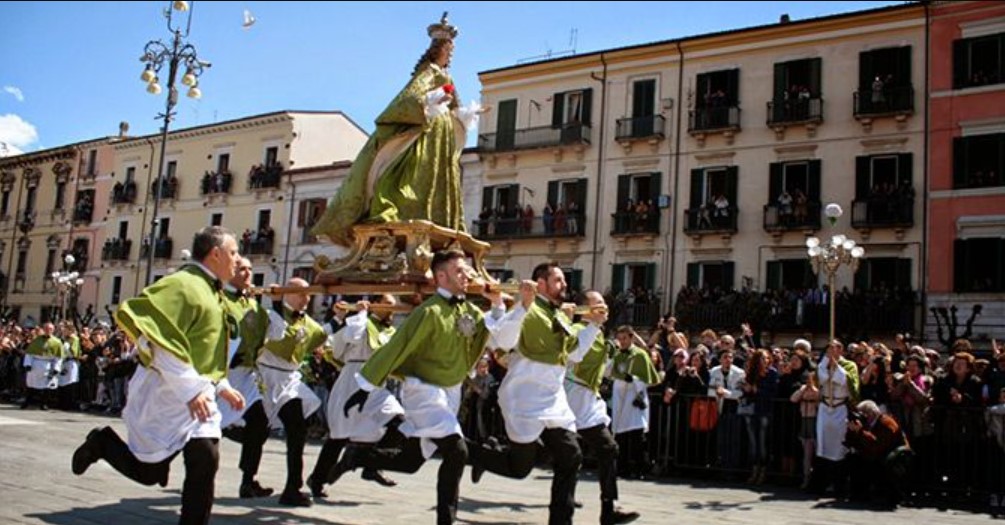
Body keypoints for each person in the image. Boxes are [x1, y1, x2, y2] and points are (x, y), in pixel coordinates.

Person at [328, 249, 533, 525]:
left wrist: (504, 306)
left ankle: (360, 456)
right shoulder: (428, 311)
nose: (467, 275)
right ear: (441, 276)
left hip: (450, 392)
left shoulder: (471, 311)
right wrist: (365, 386)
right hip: (423, 392)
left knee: (411, 462)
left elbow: (501, 340)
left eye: (466, 270)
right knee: (457, 450)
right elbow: (396, 346)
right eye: (459, 270)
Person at [71, 226, 244, 525]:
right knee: (149, 473)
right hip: (167, 392)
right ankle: (102, 443)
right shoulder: (181, 284)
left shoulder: (214, 292)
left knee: (206, 458)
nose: (238, 260)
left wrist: (222, 385)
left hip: (198, 395)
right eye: (233, 252)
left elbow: (206, 350)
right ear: (215, 254)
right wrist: (190, 390)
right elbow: (158, 342)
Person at [311, 13, 483, 246]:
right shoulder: (428, 71)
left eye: (452, 50)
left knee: (434, 177)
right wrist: (430, 102)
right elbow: (408, 100)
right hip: (425, 131)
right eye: (448, 48)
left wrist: (468, 113)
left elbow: (456, 107)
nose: (450, 54)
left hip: (439, 137)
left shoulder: (445, 75)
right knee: (412, 176)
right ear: (438, 48)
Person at [468, 262, 607, 525]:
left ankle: (561, 521)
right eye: (558, 280)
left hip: (553, 397)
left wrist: (593, 326)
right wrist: (523, 305)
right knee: (519, 468)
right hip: (525, 396)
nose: (565, 285)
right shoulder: (527, 309)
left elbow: (574, 354)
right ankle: (476, 454)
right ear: (540, 283)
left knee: (571, 454)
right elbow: (504, 340)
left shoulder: (558, 315)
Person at [307, 295, 404, 498]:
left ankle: (371, 464)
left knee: (398, 421)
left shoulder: (391, 331)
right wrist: (360, 313)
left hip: (377, 383)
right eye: (387, 304)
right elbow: (348, 340)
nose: (392, 309)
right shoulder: (361, 323)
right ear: (376, 305)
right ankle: (317, 479)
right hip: (354, 379)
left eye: (393, 305)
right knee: (339, 436)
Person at [563, 291, 640, 524]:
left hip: (588, 400)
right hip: (570, 397)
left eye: (605, 303)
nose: (604, 307)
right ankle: (491, 456)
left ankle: (609, 509)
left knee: (608, 448)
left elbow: (602, 369)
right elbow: (575, 356)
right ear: (585, 309)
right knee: (556, 455)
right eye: (598, 303)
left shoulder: (599, 335)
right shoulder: (577, 330)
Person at [258, 278, 332, 507]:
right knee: (253, 430)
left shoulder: (308, 321)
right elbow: (279, 337)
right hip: (265, 376)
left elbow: (320, 335)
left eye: (308, 294)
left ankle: (293, 486)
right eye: (301, 293)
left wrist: (340, 318)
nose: (306, 298)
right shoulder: (269, 314)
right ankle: (248, 478)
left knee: (297, 429)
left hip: (289, 380)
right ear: (287, 294)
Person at [217, 257, 274, 499]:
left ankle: (248, 480)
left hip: (246, 375)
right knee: (198, 427)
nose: (248, 273)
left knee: (260, 423)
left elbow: (270, 333)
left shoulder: (255, 307)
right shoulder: (219, 300)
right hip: (222, 373)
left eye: (251, 269)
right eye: (242, 268)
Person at [609, 325, 661, 481]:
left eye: (625, 338)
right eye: (620, 338)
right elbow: (610, 373)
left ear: (631, 337)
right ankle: (622, 467)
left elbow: (650, 379)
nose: (622, 341)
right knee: (621, 436)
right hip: (620, 397)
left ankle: (640, 468)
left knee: (637, 436)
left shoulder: (640, 355)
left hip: (633, 397)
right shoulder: (617, 355)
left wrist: (635, 380)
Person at [811, 339, 860, 496]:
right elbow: (821, 380)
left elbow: (848, 383)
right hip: (825, 408)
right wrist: (827, 363)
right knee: (822, 445)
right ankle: (820, 483)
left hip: (840, 409)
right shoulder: (822, 364)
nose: (834, 350)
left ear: (842, 350)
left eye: (837, 348)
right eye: (831, 348)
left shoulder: (850, 366)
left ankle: (839, 484)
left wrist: (837, 367)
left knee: (840, 447)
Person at [844, 400, 911, 507]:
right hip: (875, 453)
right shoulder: (868, 423)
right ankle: (858, 493)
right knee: (853, 458)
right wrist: (852, 431)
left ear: (872, 413)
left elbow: (877, 446)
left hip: (892, 456)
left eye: (863, 414)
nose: (862, 417)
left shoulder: (886, 422)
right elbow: (850, 443)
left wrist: (861, 432)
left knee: (873, 463)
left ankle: (885, 494)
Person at [21, 323, 63, 410]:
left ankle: (44, 404)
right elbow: (29, 354)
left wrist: (56, 368)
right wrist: (28, 364)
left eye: (50, 329)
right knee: (31, 385)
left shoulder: (57, 342)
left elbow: (58, 357)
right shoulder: (36, 340)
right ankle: (27, 402)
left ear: (53, 330)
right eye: (46, 328)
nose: (48, 330)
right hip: (35, 365)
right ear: (44, 329)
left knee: (46, 387)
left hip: (47, 365)